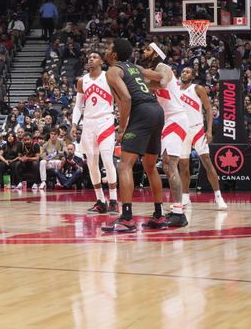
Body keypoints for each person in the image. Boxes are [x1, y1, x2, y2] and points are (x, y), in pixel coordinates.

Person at [101, 39, 166, 233]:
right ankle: (159, 215)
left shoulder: (112, 70)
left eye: (108, 47)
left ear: (113, 55)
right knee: (150, 166)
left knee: (124, 165)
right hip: (156, 111)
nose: (106, 50)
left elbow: (127, 98)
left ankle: (127, 218)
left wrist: (121, 129)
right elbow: (160, 79)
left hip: (141, 112)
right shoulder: (134, 68)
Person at [138, 42, 188, 227]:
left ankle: (179, 214)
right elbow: (150, 86)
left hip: (176, 118)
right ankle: (175, 210)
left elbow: (163, 81)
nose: (144, 51)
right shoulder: (154, 71)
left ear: (157, 53)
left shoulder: (163, 67)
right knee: (167, 165)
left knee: (170, 162)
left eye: (148, 49)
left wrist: (140, 72)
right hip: (166, 120)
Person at [72, 51, 118, 213]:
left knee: (107, 159)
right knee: (91, 163)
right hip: (88, 124)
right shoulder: (81, 81)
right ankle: (100, 201)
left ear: (101, 62)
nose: (91, 59)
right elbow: (78, 106)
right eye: (89, 57)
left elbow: (120, 99)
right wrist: (73, 124)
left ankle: (113, 200)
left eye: (95, 57)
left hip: (105, 120)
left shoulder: (109, 76)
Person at [178, 67, 228, 210]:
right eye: (183, 71)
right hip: (183, 130)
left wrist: (209, 129)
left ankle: (218, 197)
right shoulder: (176, 89)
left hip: (198, 129)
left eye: (187, 72)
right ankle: (185, 198)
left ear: (192, 76)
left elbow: (208, 109)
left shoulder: (197, 88)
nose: (184, 73)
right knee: (184, 166)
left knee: (206, 161)